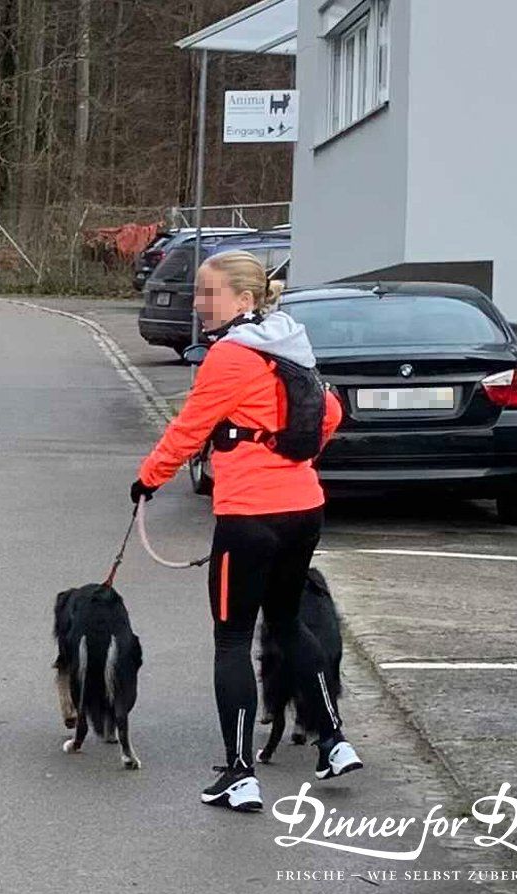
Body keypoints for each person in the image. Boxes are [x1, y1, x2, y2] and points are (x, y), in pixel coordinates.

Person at [130, 250, 361, 813]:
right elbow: (330, 413)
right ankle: (333, 741)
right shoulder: (290, 343)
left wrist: (148, 480)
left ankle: (239, 774)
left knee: (232, 640)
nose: (199, 303)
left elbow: (189, 430)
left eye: (209, 294)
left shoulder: (230, 356)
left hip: (250, 518)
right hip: (304, 508)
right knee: (286, 622)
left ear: (245, 299)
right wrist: (290, 454)